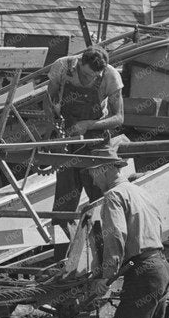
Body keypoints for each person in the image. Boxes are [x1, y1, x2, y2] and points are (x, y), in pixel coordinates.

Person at [90, 155, 169, 318]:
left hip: (144, 273)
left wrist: (104, 278)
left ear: (105, 169)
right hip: (160, 266)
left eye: (93, 173)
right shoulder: (140, 192)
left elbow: (115, 238)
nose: (92, 180)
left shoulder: (113, 196)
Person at [45, 45, 124, 225]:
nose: (92, 78)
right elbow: (48, 100)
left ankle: (102, 240)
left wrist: (88, 124)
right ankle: (62, 246)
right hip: (67, 136)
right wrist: (54, 125)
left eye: (96, 76)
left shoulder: (111, 76)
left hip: (96, 140)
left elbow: (119, 118)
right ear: (80, 62)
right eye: (88, 75)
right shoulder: (62, 67)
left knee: (101, 199)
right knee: (64, 203)